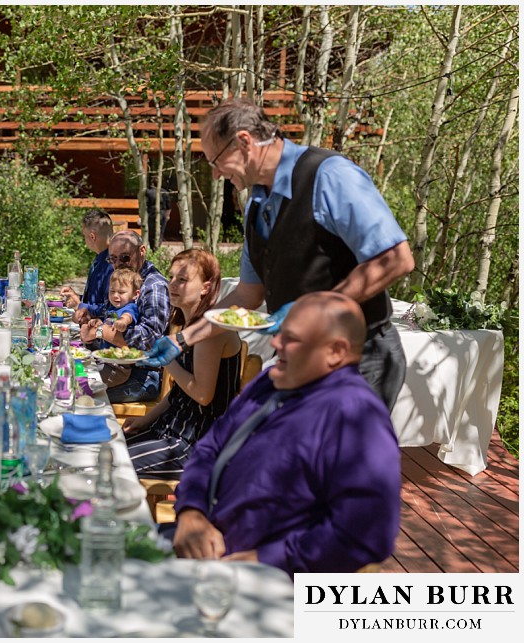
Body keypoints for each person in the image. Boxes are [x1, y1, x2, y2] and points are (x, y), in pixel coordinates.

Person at [140, 98, 414, 410]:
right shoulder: (255, 206)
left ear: (244, 142)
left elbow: (396, 258)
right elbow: (246, 296)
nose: (215, 174)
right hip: (297, 360)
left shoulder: (329, 175)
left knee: (340, 460)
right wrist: (182, 339)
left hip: (358, 359)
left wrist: (315, 308)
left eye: (215, 161)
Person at [171, 292, 401, 575]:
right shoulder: (269, 383)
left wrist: (265, 561)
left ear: (336, 352)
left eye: (290, 339)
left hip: (267, 587)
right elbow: (210, 447)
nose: (274, 343)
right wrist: (191, 511)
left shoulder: (356, 416)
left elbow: (366, 534)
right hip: (202, 546)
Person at [123, 249, 241, 478]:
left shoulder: (210, 330)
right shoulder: (190, 325)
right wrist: (146, 419)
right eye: (172, 277)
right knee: (106, 451)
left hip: (197, 443)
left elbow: (202, 395)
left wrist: (167, 361)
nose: (172, 284)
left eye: (183, 279)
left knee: (113, 466)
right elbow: (180, 391)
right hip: (172, 428)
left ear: (206, 287)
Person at [79, 230, 170, 403]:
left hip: (143, 376)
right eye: (113, 259)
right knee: (69, 375)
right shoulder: (125, 279)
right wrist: (89, 315)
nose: (119, 264)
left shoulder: (154, 286)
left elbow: (150, 340)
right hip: (115, 365)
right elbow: (109, 313)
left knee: (80, 395)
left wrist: (99, 331)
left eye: (125, 257)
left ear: (141, 251)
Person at [86, 267, 142, 388]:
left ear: (135, 294)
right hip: (105, 360)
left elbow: (128, 317)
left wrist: (122, 322)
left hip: (118, 369)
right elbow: (109, 323)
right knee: (84, 371)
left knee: (89, 383)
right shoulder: (113, 309)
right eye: (112, 291)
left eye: (121, 292)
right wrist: (98, 322)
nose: (116, 296)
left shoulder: (130, 307)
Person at [61, 209, 114, 324]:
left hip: (100, 334)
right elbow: (95, 300)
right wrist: (77, 297)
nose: (84, 240)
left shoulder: (111, 266)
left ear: (92, 236)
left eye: (85, 236)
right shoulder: (99, 259)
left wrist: (79, 305)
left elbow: (109, 310)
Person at [145, 184, 171, 249]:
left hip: (151, 215)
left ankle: (153, 248)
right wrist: (167, 216)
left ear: (152, 183)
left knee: (151, 233)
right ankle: (157, 248)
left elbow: (145, 205)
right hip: (162, 214)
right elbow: (169, 207)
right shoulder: (165, 192)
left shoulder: (148, 192)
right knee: (160, 233)